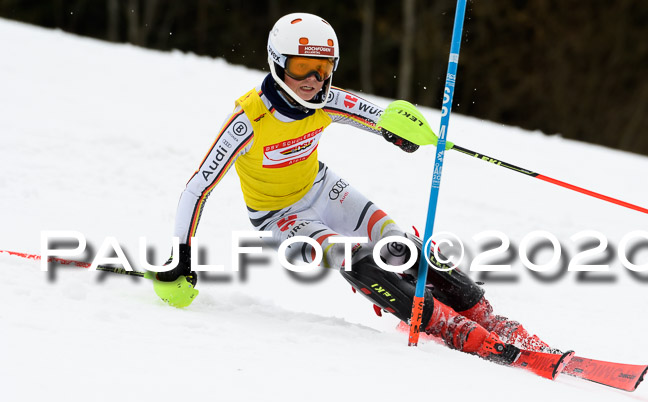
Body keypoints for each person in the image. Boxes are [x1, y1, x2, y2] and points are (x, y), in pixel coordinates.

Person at [154, 12, 554, 364]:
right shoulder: (249, 120)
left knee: (398, 244)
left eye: (323, 68)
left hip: (323, 187)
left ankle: (481, 312)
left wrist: (399, 132)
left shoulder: (325, 101)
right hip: (280, 216)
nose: (313, 81)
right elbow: (197, 188)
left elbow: (381, 117)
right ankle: (450, 328)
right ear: (278, 64)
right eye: (301, 67)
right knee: (357, 258)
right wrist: (181, 255)